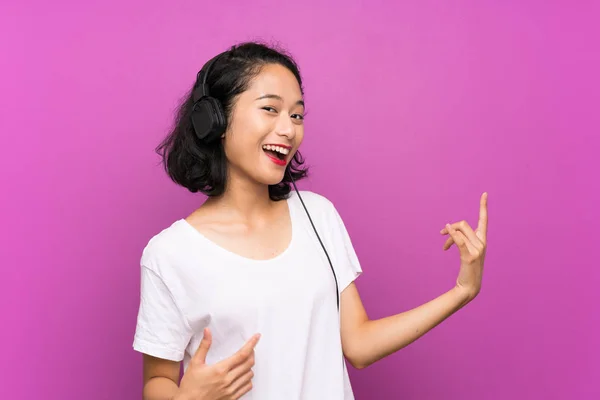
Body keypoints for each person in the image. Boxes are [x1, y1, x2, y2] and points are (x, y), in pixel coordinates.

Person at [132, 41, 489, 400]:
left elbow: (359, 344)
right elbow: (157, 381)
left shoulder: (317, 215)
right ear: (215, 121)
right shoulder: (170, 254)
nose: (288, 130)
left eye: (297, 115)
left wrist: (462, 291)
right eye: (270, 109)